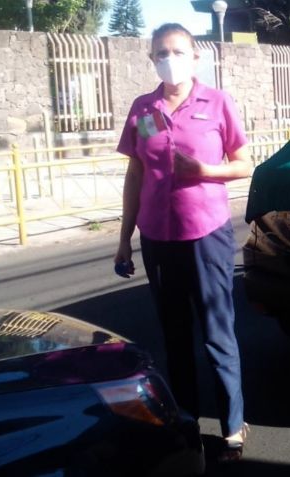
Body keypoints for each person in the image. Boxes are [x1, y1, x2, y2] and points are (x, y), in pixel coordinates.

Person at [113, 23, 252, 463]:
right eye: (159, 53)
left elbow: (244, 163)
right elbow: (135, 175)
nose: (167, 59)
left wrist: (204, 172)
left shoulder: (217, 103)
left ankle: (232, 426)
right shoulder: (143, 108)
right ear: (151, 59)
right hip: (158, 237)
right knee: (173, 335)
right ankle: (187, 422)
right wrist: (124, 239)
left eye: (176, 51)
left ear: (195, 57)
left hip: (206, 234)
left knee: (216, 334)